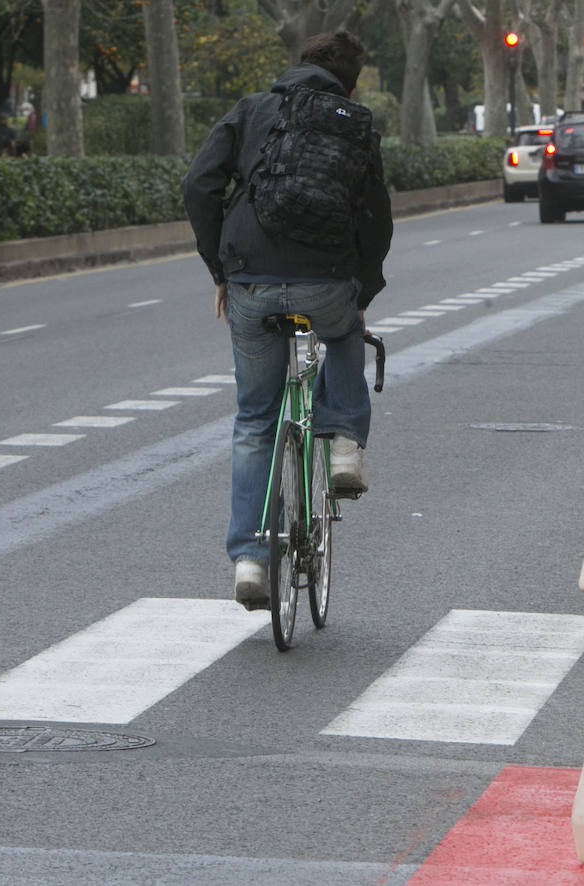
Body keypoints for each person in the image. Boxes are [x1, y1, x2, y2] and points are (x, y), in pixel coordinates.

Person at [181, 29, 393, 609]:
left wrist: (219, 268)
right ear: (350, 82)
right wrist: (364, 289)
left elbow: (198, 185)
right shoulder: (353, 119)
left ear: (299, 64)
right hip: (325, 279)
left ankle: (249, 558)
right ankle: (345, 440)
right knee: (345, 331)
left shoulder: (251, 111)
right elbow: (376, 218)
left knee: (255, 418)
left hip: (249, 278)